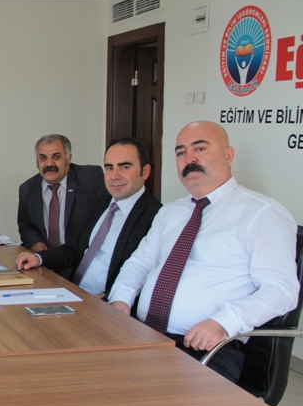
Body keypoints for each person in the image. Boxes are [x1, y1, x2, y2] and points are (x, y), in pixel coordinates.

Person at [108, 121, 299, 383]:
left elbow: (281, 290)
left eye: (200, 148)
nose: (189, 159)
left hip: (205, 350)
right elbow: (139, 263)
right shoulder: (171, 212)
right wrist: (120, 300)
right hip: (143, 336)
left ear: (228, 155)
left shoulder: (262, 213)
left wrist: (223, 322)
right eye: (180, 152)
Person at [16, 138, 161, 298]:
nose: (114, 176)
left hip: (104, 302)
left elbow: (145, 274)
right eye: (109, 168)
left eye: (124, 167)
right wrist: (38, 258)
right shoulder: (102, 205)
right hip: (72, 291)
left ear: (145, 172)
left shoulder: (156, 216)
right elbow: (73, 249)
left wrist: (107, 299)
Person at [17, 134, 108, 253]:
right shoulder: (27, 189)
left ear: (68, 159)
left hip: (80, 257)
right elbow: (26, 226)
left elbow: (107, 218)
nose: (49, 164)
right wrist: (36, 243)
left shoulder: (91, 178)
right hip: (44, 258)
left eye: (56, 157)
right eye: (43, 158)